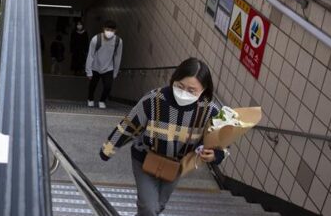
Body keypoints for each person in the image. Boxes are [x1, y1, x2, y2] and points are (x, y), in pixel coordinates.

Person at [99, 58, 226, 216]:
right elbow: (130, 124)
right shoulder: (154, 99)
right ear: (173, 80)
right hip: (145, 158)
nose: (184, 93)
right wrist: (108, 149)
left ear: (204, 89)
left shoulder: (210, 111)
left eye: (191, 90)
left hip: (176, 165)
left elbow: (222, 140)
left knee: (158, 205)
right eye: (179, 86)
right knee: (149, 208)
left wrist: (216, 154)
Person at [85, 21, 123, 109]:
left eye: (112, 30)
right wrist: (88, 71)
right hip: (95, 66)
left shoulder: (118, 41)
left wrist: (115, 72)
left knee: (108, 86)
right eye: (107, 29)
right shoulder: (96, 39)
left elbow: (118, 57)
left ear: (115, 30)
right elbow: (90, 55)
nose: (109, 32)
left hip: (108, 68)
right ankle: (90, 99)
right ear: (103, 29)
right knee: (92, 85)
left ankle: (102, 101)